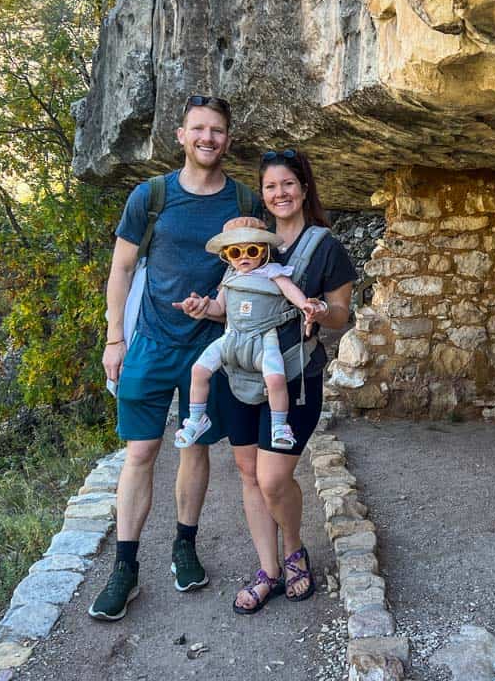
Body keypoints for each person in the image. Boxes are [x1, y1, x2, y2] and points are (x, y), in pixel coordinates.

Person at [88, 95, 261, 621]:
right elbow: (121, 269)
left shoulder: (244, 202)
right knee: (140, 453)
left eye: (218, 130)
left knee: (194, 449)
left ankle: (184, 546)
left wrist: (219, 308)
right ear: (182, 136)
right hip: (152, 345)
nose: (208, 138)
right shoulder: (152, 196)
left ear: (228, 139)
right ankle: (125, 568)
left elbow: (250, 275)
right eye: (199, 129)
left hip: (210, 350)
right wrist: (114, 339)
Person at [176, 148, 355, 614]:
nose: (280, 193)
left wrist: (318, 309)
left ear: (304, 189)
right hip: (239, 375)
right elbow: (226, 303)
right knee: (247, 475)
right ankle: (268, 570)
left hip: (292, 377)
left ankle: (294, 549)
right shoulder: (249, 239)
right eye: (271, 186)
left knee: (274, 479)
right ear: (264, 193)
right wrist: (204, 307)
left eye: (288, 184)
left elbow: (341, 315)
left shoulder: (324, 247)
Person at [174, 216, 322, 451]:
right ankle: (196, 418)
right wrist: (197, 305)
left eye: (251, 250)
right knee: (199, 370)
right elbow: (219, 308)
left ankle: (279, 425)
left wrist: (306, 306)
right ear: (227, 255)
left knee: (275, 378)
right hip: (232, 337)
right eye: (235, 252)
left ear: (263, 251)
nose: (243, 257)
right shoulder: (230, 277)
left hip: (264, 338)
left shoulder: (272, 271)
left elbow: (291, 291)